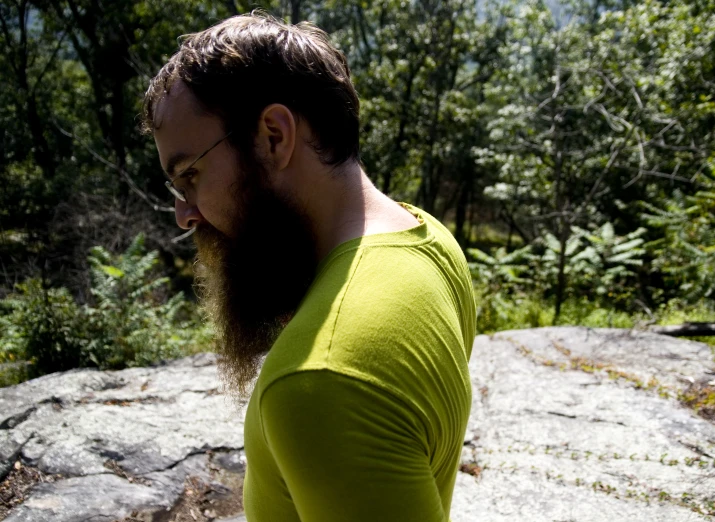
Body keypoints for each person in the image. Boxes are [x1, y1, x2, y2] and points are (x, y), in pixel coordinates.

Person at [141, 12, 476, 522]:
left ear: (273, 137)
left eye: (191, 174)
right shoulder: (427, 239)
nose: (185, 215)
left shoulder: (319, 380)